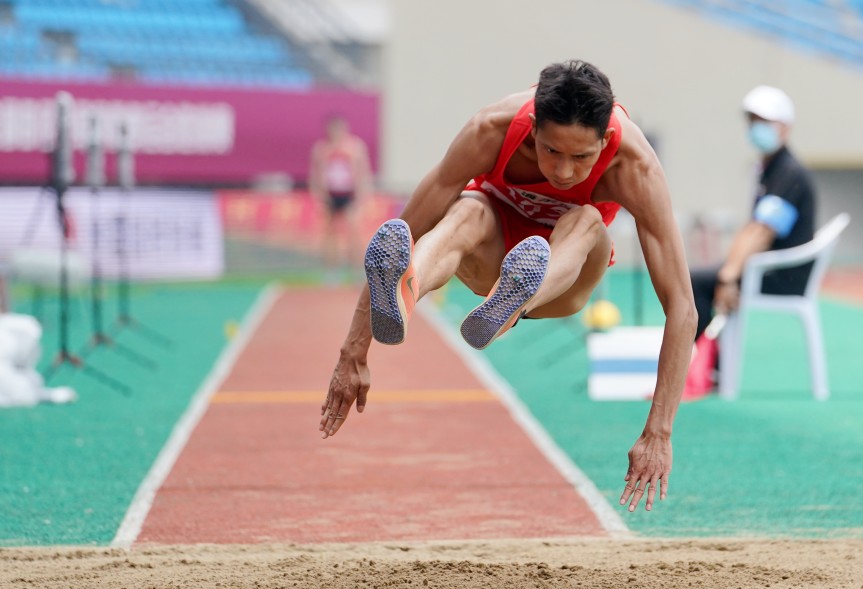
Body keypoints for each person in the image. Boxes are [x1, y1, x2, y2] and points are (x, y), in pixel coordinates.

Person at [319, 60, 697, 513]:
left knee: (588, 218)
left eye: (582, 158)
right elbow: (407, 227)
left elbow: (682, 307)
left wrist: (659, 431)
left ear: (606, 142)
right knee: (465, 211)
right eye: (552, 151)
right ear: (533, 128)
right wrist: (353, 352)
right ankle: (405, 291)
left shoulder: (635, 167)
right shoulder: (491, 130)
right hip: (490, 259)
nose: (563, 172)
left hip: (564, 281)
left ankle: (520, 296)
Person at [690, 85, 816, 341]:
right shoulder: (769, 169)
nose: (755, 128)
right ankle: (711, 364)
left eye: (764, 122)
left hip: (782, 275)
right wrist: (730, 267)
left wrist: (728, 276)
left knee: (694, 283)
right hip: (765, 268)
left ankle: (693, 363)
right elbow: (752, 228)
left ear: (785, 126)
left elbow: (761, 232)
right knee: (704, 278)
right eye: (753, 121)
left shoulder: (789, 172)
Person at [309, 115, 373, 276]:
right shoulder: (322, 148)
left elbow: (363, 172)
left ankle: (358, 270)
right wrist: (319, 196)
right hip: (330, 195)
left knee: (354, 232)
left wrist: (361, 196)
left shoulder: (355, 147)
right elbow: (315, 174)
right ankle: (332, 271)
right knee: (330, 234)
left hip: (349, 194)